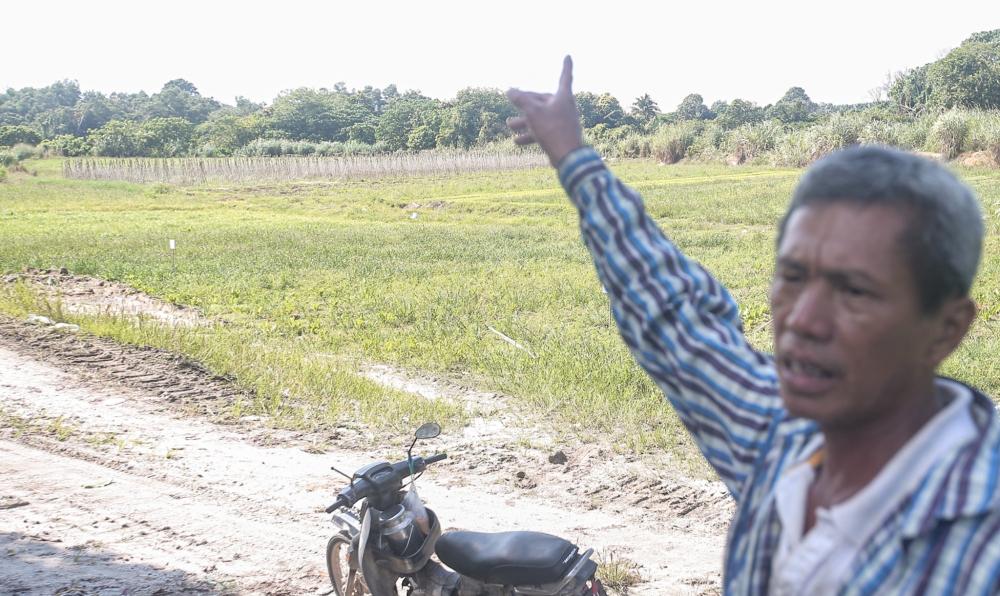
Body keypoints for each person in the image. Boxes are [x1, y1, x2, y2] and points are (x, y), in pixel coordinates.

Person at [507, 57, 1000, 595]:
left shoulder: (980, 547)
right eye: (791, 276)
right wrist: (574, 157)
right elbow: (678, 322)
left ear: (947, 329)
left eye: (855, 291)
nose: (802, 320)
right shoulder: (786, 440)